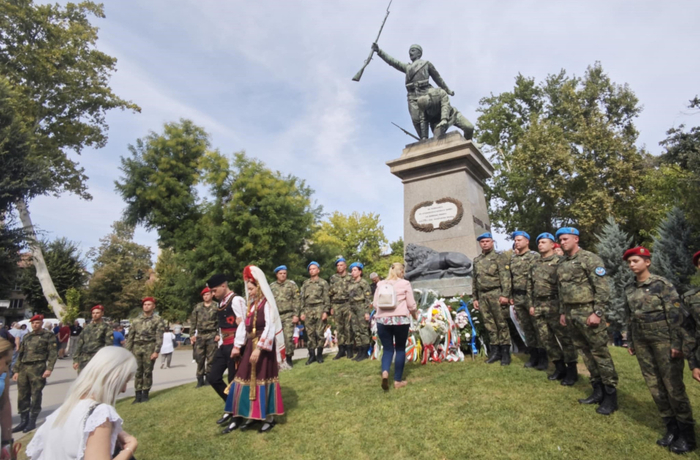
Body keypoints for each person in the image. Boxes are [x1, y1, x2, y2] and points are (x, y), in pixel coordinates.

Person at [623, 247, 695, 453]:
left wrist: (677, 344)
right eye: (629, 262)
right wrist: (631, 340)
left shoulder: (662, 285)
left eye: (635, 260)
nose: (631, 265)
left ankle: (687, 435)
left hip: (664, 341)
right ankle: (671, 428)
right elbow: (629, 315)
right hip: (642, 341)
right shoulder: (629, 287)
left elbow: (676, 316)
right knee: (654, 385)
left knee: (673, 387)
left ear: (647, 262)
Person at [26, 346, 139, 460]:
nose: (124, 389)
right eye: (124, 381)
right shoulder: (100, 413)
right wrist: (130, 447)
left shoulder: (61, 412)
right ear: (114, 378)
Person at [557, 227, 618, 415]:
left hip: (588, 311)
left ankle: (610, 395)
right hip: (571, 313)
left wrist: (597, 313)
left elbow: (602, 288)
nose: (562, 242)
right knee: (585, 352)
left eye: (565, 239)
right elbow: (561, 290)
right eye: (560, 240)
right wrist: (563, 312)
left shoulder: (590, 259)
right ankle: (597, 390)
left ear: (576, 239)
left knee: (599, 353)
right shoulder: (562, 262)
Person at [222, 266, 285, 434]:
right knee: (245, 378)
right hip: (251, 345)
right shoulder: (251, 305)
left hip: (263, 348)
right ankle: (252, 414)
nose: (249, 292)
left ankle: (268, 418)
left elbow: (270, 327)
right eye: (248, 289)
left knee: (262, 379)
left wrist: (259, 349)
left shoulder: (267, 305)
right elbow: (244, 326)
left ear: (259, 287)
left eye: (251, 289)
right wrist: (237, 345)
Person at [371, 42, 454, 139]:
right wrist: (379, 51)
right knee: (416, 120)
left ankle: (433, 135)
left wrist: (447, 90)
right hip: (412, 96)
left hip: (425, 93)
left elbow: (438, 78)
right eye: (409, 51)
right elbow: (393, 62)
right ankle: (424, 140)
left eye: (413, 51)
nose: (410, 53)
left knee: (428, 118)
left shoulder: (426, 64)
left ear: (419, 53)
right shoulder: (407, 67)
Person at [528, 233, 578, 385]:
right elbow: (530, 286)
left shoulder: (560, 262)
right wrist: (531, 304)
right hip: (539, 305)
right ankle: (559, 367)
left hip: (555, 304)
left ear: (552, 245)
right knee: (546, 338)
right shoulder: (535, 264)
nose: (540, 245)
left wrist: (563, 309)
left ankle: (572, 370)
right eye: (539, 242)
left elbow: (564, 287)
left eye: (544, 242)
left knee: (564, 338)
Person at [205, 274, 246, 426]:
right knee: (213, 377)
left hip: (234, 344)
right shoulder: (221, 303)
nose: (212, 294)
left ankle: (237, 416)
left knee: (233, 380)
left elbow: (243, 324)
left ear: (223, 286)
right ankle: (231, 405)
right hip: (224, 345)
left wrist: (238, 346)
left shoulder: (236, 300)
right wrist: (221, 344)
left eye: (214, 290)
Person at [373, 263, 418, 390]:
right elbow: (411, 304)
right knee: (400, 348)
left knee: (387, 349)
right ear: (401, 272)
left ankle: (385, 373)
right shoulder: (405, 283)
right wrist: (414, 314)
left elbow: (375, 304)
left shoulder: (380, 284)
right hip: (400, 319)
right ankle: (397, 381)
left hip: (382, 320)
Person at [11, 314, 57, 433]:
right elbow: (21, 354)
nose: (35, 325)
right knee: (22, 395)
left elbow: (53, 353)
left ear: (41, 323)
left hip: (38, 367)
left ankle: (32, 420)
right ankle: (23, 420)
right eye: (33, 323)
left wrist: (49, 368)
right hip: (24, 368)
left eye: (37, 323)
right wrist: (16, 370)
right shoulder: (27, 336)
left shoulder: (48, 335)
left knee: (36, 394)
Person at [471, 233, 512, 365]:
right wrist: (475, 297)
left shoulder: (499, 257)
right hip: (483, 296)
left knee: (501, 323)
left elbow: (505, 277)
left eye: (487, 241)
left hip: (496, 294)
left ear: (492, 242)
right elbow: (475, 280)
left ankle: (505, 353)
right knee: (489, 324)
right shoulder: (477, 260)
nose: (485, 243)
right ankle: (495, 352)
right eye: (482, 242)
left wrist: (505, 295)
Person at [510, 231, 543, 369]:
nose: (516, 242)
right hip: (518, 297)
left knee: (537, 327)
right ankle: (533, 355)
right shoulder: (513, 259)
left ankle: (543, 357)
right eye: (515, 240)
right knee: (526, 327)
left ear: (527, 241)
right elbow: (511, 278)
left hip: (531, 296)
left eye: (519, 240)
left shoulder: (534, 256)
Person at [125, 297, 165, 404]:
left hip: (149, 347)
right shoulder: (136, 320)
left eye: (148, 304)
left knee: (147, 371)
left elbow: (159, 336)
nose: (146, 306)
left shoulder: (158, 320)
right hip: (137, 347)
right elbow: (130, 337)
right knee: (138, 372)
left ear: (153, 306)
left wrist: (156, 351)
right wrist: (127, 352)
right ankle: (137, 394)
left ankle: (145, 394)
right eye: (144, 304)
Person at [269, 265, 301, 369]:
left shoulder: (291, 285)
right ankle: (278, 360)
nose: (283, 275)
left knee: (288, 337)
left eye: (284, 273)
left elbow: (297, 300)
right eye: (280, 273)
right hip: (276, 316)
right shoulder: (272, 286)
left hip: (288, 315)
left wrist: (296, 314)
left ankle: (288, 358)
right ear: (276, 275)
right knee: (277, 338)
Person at [301, 262, 330, 365]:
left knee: (319, 333)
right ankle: (312, 355)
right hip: (308, 309)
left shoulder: (323, 283)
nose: (312, 271)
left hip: (319, 308)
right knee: (310, 333)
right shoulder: (305, 283)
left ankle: (319, 355)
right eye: (310, 269)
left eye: (314, 268)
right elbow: (302, 298)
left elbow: (326, 298)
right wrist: (302, 312)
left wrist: (325, 311)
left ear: (318, 270)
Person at [190, 286, 220, 388]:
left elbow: (219, 321)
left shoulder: (216, 306)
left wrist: (218, 334)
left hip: (212, 334)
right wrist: (192, 335)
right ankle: (199, 379)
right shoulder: (198, 307)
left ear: (212, 295)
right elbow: (193, 321)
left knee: (211, 358)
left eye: (207, 294)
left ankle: (208, 378)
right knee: (199, 358)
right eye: (204, 295)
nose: (205, 296)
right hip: (200, 335)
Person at [73, 305, 113, 373]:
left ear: (102, 313)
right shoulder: (87, 327)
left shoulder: (106, 327)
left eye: (97, 313)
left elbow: (109, 345)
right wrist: (76, 360)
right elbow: (79, 344)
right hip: (84, 359)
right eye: (93, 313)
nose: (95, 315)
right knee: (83, 378)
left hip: (98, 358)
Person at [329, 257, 353, 360]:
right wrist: (331, 307)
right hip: (336, 304)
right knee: (339, 328)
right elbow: (330, 293)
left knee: (348, 327)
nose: (339, 267)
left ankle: (349, 348)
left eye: (341, 265)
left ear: (345, 266)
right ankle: (341, 349)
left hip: (347, 303)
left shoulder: (350, 277)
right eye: (338, 265)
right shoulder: (333, 278)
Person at [348, 262, 372, 362]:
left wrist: (367, 312)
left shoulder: (363, 283)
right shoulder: (351, 283)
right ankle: (360, 350)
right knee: (356, 329)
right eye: (352, 270)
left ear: (360, 272)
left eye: (355, 270)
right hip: (353, 307)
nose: (353, 272)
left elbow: (368, 298)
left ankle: (365, 351)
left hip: (361, 306)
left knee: (363, 329)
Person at [0, 338, 16, 457]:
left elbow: (4, 403)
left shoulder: (3, 374)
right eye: (6, 363)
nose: (6, 368)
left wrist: (7, 442)